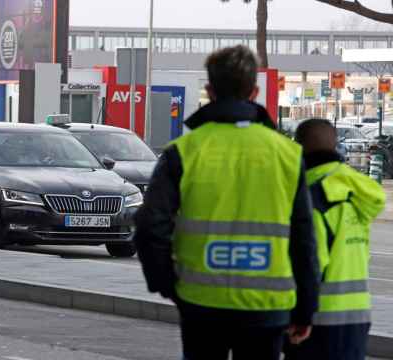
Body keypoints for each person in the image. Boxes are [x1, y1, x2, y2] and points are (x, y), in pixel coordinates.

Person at [134, 45, 320, 360]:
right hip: (267, 307)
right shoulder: (287, 154)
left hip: (202, 304)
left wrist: (167, 284)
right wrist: (306, 308)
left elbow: (151, 224)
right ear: (254, 92)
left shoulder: (184, 151)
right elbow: (304, 238)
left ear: (209, 90)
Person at [283, 119, 386, 360]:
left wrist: (300, 316)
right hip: (357, 316)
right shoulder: (355, 191)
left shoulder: (312, 197)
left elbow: (310, 264)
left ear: (299, 148)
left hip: (318, 320)